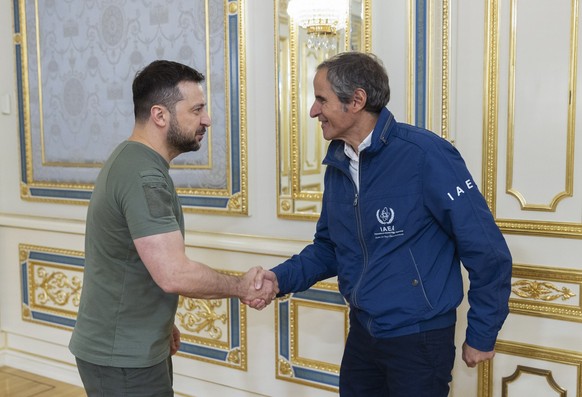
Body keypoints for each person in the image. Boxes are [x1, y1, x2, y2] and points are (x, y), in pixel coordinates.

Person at [257, 52, 512, 396]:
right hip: (363, 334)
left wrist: (482, 332)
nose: (313, 111)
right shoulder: (338, 163)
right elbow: (329, 248)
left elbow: (487, 250)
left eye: (321, 99)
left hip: (419, 339)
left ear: (357, 100)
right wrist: (277, 279)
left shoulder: (426, 154)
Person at [69, 60, 278, 397]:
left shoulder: (131, 159)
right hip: (123, 357)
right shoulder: (143, 176)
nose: (207, 119)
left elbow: (132, 262)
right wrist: (240, 286)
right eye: (197, 110)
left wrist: (159, 323)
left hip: (129, 347)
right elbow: (173, 274)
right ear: (160, 115)